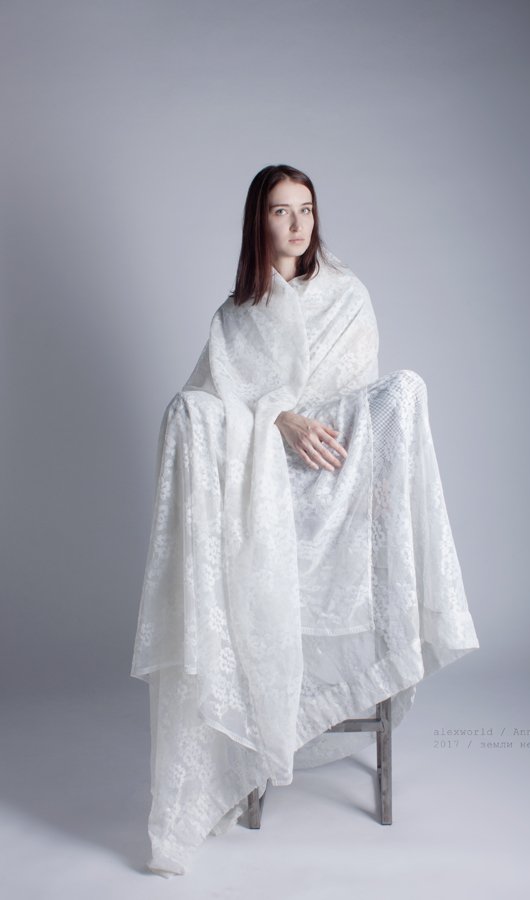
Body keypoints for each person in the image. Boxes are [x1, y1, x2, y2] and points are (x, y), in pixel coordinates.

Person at [130, 164, 480, 878]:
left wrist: (314, 434)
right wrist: (277, 418)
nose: (297, 225)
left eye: (307, 210)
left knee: (407, 389)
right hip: (264, 490)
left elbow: (359, 404)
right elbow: (211, 402)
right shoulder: (237, 316)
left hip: (339, 482)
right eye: (282, 212)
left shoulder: (347, 296)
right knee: (188, 412)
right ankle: (246, 731)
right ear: (258, 221)